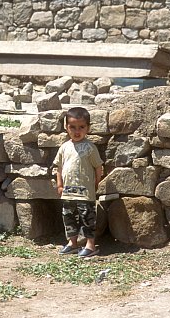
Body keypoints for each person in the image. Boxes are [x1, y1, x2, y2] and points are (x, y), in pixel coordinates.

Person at [54, 107, 104, 257]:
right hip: (68, 192)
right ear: (66, 127)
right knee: (68, 217)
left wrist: (96, 184)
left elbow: (98, 167)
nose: (77, 131)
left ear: (88, 128)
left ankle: (90, 245)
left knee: (87, 218)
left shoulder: (90, 148)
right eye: (72, 127)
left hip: (85, 192)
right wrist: (59, 185)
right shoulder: (64, 147)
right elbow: (59, 167)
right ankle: (73, 243)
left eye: (81, 127)